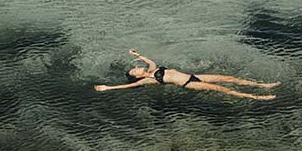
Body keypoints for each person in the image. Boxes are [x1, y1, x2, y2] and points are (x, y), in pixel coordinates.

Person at [93, 50, 280, 101]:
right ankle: (256, 96)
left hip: (194, 75)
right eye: (133, 72)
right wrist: (108, 87)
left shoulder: (152, 68)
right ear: (138, 77)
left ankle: (263, 85)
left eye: (134, 68)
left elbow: (149, 60)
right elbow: (128, 86)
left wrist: (136, 55)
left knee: (229, 78)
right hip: (189, 84)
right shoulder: (149, 80)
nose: (136, 69)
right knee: (222, 89)